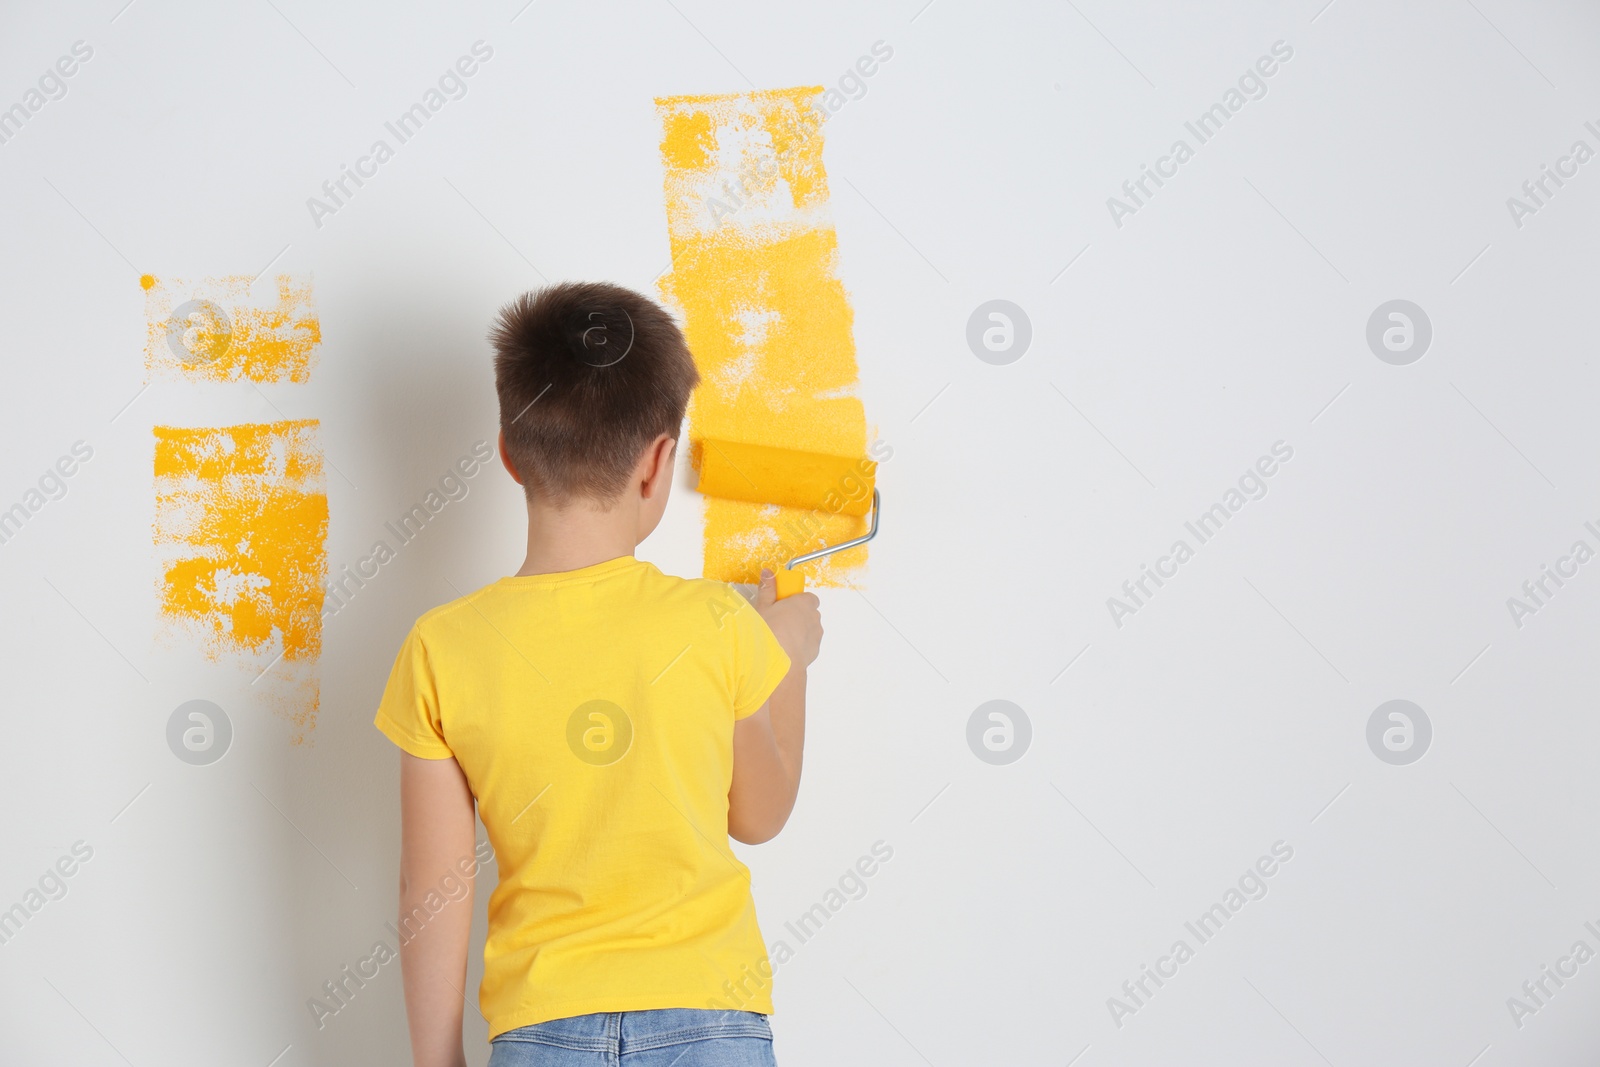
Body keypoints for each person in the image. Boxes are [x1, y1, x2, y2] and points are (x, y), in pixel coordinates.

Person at [374, 281, 822, 1067]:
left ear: (510, 452)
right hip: (710, 1018)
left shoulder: (441, 647)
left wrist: (435, 1061)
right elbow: (759, 813)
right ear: (658, 463)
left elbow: (432, 889)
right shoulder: (717, 626)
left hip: (542, 1030)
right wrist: (787, 658)